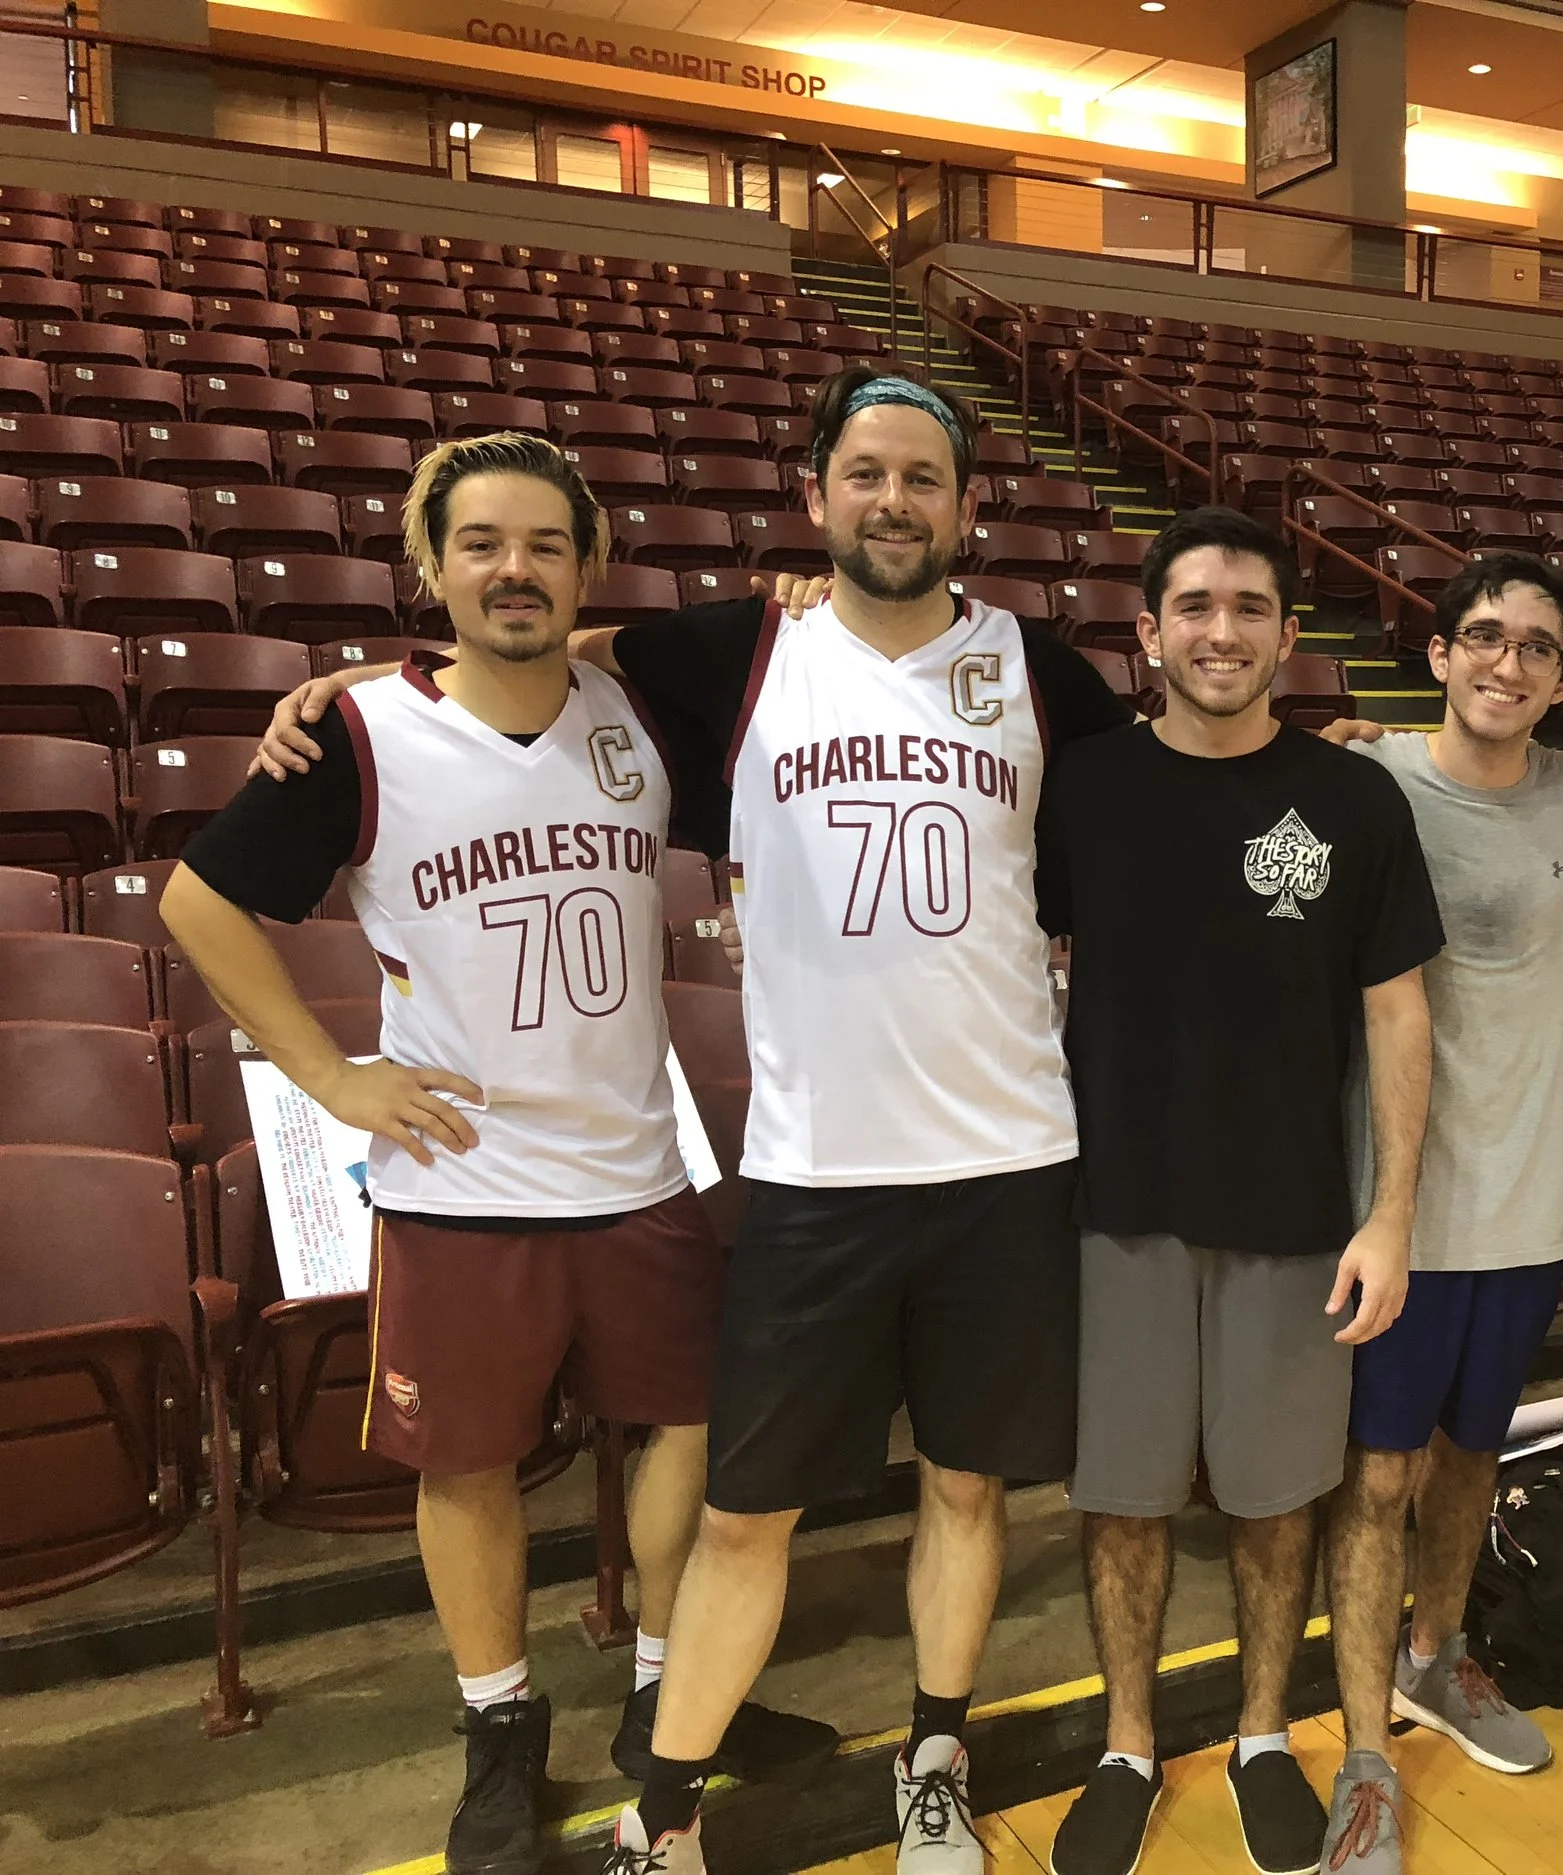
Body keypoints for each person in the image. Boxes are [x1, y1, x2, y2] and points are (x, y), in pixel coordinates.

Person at [254, 369, 1134, 1875]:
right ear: (814, 494)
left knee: (968, 1483)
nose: (894, 501)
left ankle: (935, 1752)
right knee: (746, 1512)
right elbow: (531, 654)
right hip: (813, 1173)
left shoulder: (1044, 674)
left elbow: (1131, 850)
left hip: (1009, 1163)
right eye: (864, 472)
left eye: (925, 477)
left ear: (971, 503)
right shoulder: (736, 654)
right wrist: (346, 689)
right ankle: (660, 1818)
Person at [168, 433, 723, 1875]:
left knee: (683, 1434)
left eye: (545, 542)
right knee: (468, 1462)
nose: (514, 569)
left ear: (585, 565)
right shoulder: (358, 736)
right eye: (481, 542)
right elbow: (200, 904)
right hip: (465, 1179)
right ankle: (499, 1725)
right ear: (431, 565)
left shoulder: (644, 712)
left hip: (641, 1163)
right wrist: (325, 1070)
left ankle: (668, 1692)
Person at [1037, 507, 1442, 1875]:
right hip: (1117, 1206)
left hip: (1292, 1213)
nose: (1222, 630)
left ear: (1286, 633)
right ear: (1147, 631)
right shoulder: (1080, 786)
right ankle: (1129, 1742)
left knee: (1278, 1500)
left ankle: (1266, 1730)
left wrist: (1391, 1213)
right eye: (1194, 604)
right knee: (1126, 1500)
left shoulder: (1353, 800)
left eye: (1251, 606)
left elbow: (1399, 1015)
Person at [1314, 552, 1563, 1806]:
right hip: (1393, 1208)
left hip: (1531, 1203)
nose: (1507, 663)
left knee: (1468, 1456)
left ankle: (1435, 1654)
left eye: (1537, 647)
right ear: (1435, 653)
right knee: (1376, 1474)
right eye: (1484, 637)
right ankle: (1362, 1751)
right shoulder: (1357, 780)